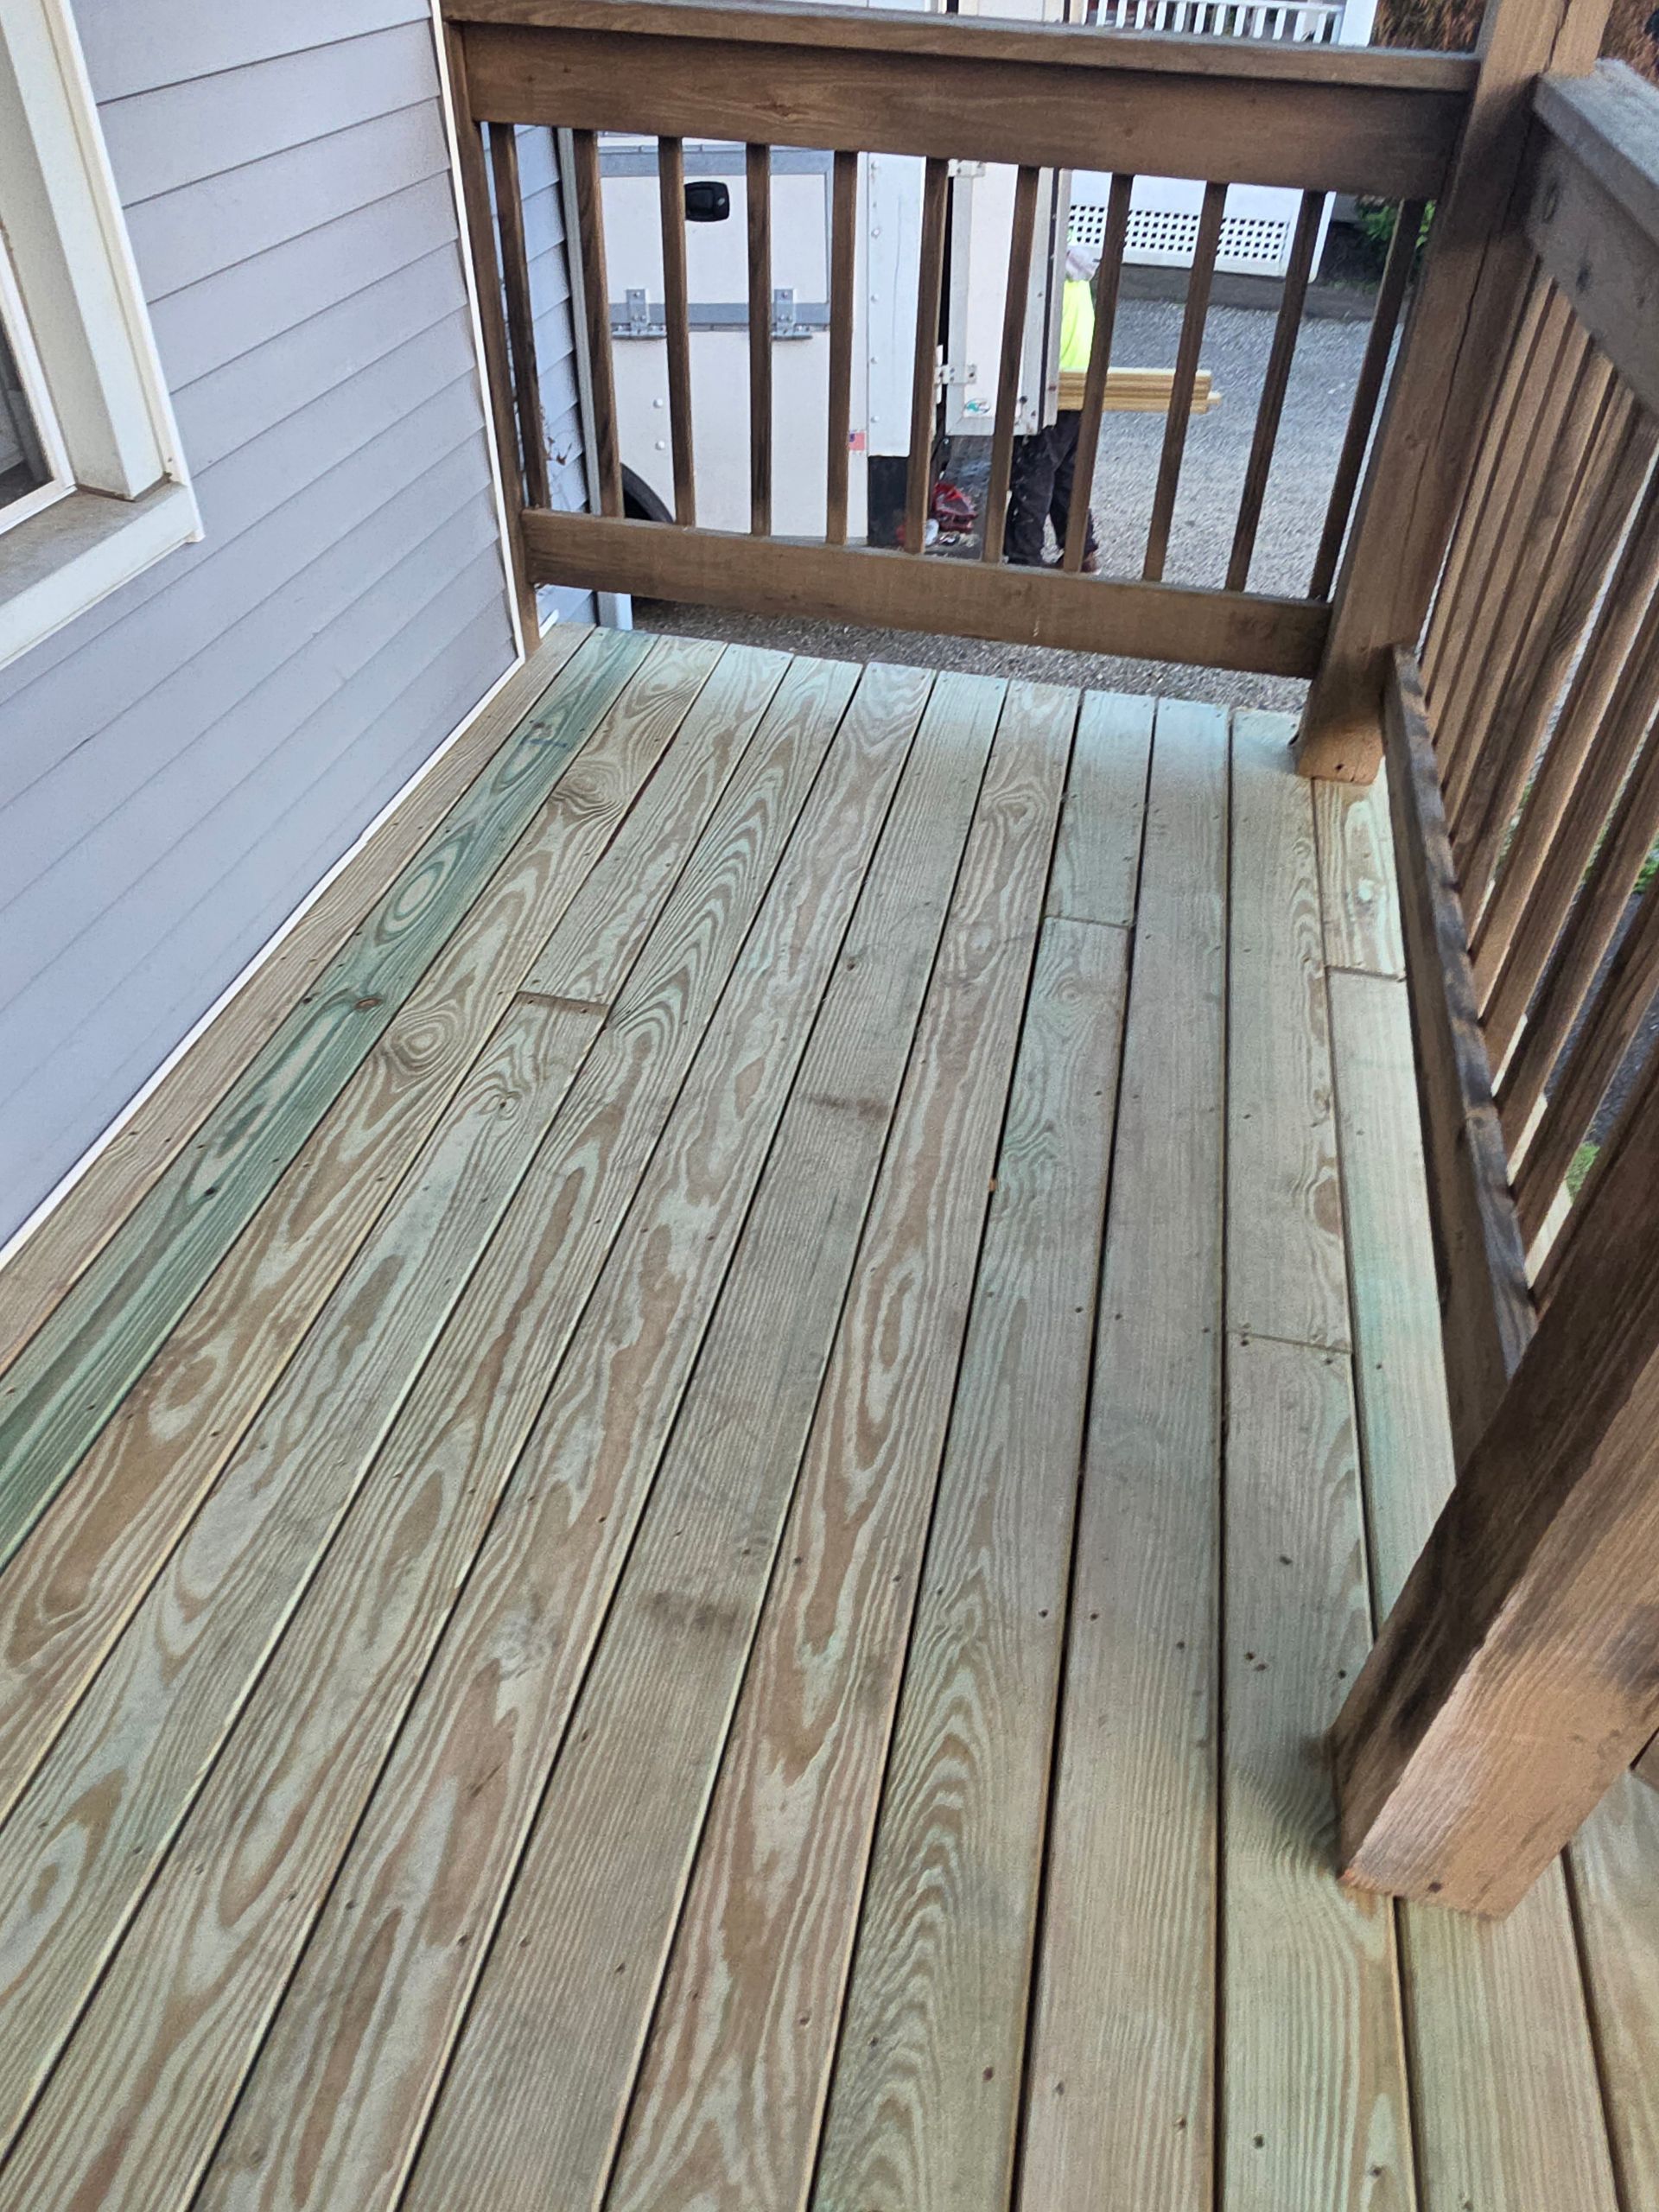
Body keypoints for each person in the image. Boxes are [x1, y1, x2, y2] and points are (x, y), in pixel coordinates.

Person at [1005, 247, 1102, 573]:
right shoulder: (1066, 251)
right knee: (1065, 473)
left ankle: (1024, 559)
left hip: (1051, 384)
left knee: (1033, 468)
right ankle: (1081, 551)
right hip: (1081, 378)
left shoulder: (1040, 259)